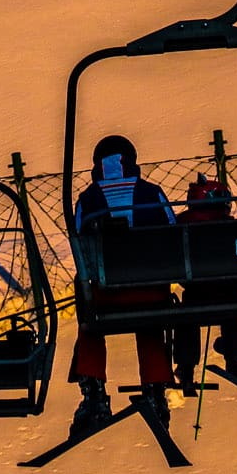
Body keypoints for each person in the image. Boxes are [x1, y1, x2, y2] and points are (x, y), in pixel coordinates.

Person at [69, 134, 177, 434]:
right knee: (150, 325)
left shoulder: (88, 199)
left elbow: (80, 249)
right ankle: (155, 389)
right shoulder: (151, 192)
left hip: (107, 296)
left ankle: (94, 393)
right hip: (150, 292)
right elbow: (172, 233)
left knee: (89, 324)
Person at [167, 175, 237, 390]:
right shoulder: (230, 226)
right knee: (235, 307)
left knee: (186, 311)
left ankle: (186, 365)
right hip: (230, 292)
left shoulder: (181, 225)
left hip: (196, 293)